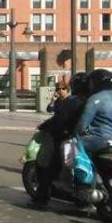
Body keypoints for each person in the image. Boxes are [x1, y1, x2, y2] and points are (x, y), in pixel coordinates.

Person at [32, 73, 89, 205]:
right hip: (95, 138)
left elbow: (59, 121)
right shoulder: (93, 100)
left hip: (69, 139)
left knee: (52, 167)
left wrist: (49, 128)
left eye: (62, 89)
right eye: (58, 89)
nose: (60, 91)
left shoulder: (72, 101)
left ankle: (42, 198)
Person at [75, 69, 112, 156]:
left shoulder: (95, 99)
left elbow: (82, 126)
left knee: (72, 144)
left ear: (95, 83)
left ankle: (84, 169)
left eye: (91, 82)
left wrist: (74, 134)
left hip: (104, 140)